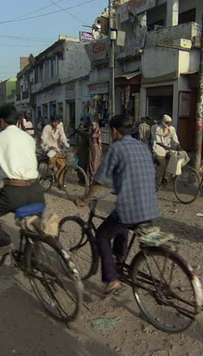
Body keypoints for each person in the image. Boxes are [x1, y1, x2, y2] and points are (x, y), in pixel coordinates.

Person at [75, 115, 159, 295]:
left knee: (102, 236)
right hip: (150, 206)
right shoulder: (143, 146)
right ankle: (119, 264)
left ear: (114, 131)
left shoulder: (116, 148)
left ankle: (112, 279)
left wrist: (85, 199)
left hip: (130, 207)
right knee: (121, 226)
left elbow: (99, 179)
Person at [0, 105, 44, 255]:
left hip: (15, 192)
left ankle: (2, 243)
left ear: (2, 121)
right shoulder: (28, 138)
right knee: (33, 229)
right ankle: (33, 260)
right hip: (36, 190)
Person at [40, 116, 70, 186]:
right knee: (53, 155)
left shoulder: (60, 127)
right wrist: (49, 146)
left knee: (63, 165)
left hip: (55, 147)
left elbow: (63, 137)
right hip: (47, 146)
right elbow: (44, 139)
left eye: (56, 122)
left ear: (59, 122)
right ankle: (52, 172)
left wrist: (67, 145)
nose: (55, 124)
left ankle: (59, 180)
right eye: (53, 122)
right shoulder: (47, 128)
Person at [151, 114, 181, 184]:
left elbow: (175, 140)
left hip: (167, 149)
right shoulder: (158, 129)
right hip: (158, 149)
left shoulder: (172, 129)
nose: (169, 124)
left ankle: (166, 177)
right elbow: (158, 142)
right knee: (163, 165)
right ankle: (158, 182)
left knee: (173, 161)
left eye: (170, 123)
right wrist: (167, 147)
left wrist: (180, 148)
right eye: (167, 123)